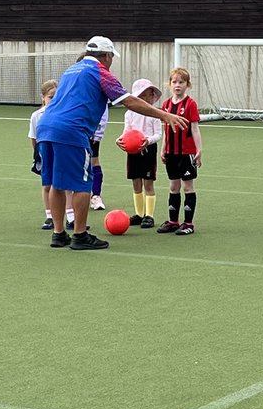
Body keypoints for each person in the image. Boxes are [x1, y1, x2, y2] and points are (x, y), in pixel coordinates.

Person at [36, 35, 189, 251]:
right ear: (107, 56)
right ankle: (80, 235)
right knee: (82, 184)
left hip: (46, 127)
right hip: (71, 130)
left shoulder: (71, 70)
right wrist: (164, 115)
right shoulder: (100, 72)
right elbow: (129, 101)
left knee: (56, 183)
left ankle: (59, 234)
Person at [157, 66, 203, 236]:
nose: (178, 85)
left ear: (187, 84)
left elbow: (195, 129)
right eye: (174, 82)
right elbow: (165, 129)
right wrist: (163, 149)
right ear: (169, 84)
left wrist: (199, 150)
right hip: (171, 153)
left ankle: (189, 223)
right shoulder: (166, 105)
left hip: (186, 153)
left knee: (188, 186)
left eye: (181, 82)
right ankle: (173, 221)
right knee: (173, 186)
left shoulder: (190, 104)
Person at [115, 78, 162, 229]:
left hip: (148, 150)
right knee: (136, 182)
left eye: (149, 95)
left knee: (148, 183)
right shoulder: (129, 114)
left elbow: (158, 135)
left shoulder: (155, 114)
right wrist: (120, 140)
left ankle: (149, 216)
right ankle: (139, 214)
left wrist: (147, 141)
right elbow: (126, 132)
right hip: (133, 151)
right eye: (142, 96)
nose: (147, 98)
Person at [29, 79, 58, 230]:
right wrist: (38, 155)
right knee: (47, 184)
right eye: (51, 97)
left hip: (61, 152)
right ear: (43, 97)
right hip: (45, 154)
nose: (54, 100)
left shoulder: (63, 113)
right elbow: (34, 138)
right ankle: (49, 216)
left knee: (65, 185)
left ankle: (71, 216)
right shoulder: (37, 116)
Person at [88, 108, 109, 211]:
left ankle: (96, 196)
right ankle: (73, 196)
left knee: (94, 161)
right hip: (74, 130)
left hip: (91, 132)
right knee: (75, 162)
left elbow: (103, 112)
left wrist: (98, 134)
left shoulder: (99, 92)